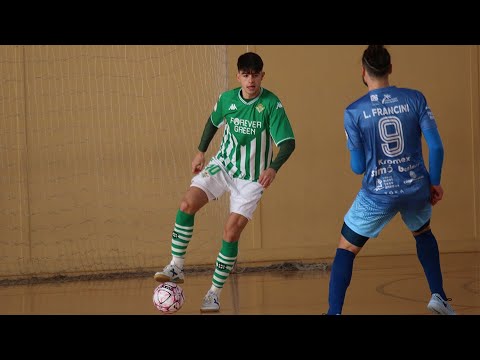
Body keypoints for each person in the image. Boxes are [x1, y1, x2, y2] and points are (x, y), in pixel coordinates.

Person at [154, 52, 295, 312]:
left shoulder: (271, 105)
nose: (250, 80)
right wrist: (200, 151)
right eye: (245, 74)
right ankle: (176, 266)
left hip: (252, 179)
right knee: (187, 203)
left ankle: (213, 293)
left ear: (262, 75)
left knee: (230, 232)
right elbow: (213, 122)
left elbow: (288, 143)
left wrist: (273, 168)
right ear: (238, 76)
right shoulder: (227, 99)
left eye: (255, 74)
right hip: (223, 165)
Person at [326, 45, 455, 315]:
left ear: (363, 72)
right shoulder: (415, 99)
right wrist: (435, 181)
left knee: (346, 248)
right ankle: (438, 296)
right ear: (390, 68)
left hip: (377, 193)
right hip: (416, 187)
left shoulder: (354, 112)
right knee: (423, 233)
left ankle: (334, 312)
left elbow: (358, 167)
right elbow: (438, 147)